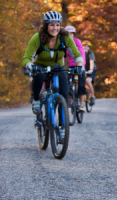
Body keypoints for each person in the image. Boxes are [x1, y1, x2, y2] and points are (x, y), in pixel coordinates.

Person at [23, 11, 84, 141]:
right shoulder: (37, 37)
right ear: (46, 26)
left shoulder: (65, 37)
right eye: (51, 25)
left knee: (63, 92)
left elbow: (77, 54)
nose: (55, 28)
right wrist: (30, 66)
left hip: (57, 67)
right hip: (40, 66)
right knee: (38, 76)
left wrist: (79, 65)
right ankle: (36, 100)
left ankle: (62, 127)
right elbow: (27, 57)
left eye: (57, 25)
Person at [65, 25, 87, 112]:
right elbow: (63, 56)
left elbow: (82, 53)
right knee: (67, 84)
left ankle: (82, 105)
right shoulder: (64, 43)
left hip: (80, 65)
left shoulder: (77, 41)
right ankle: (69, 101)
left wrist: (82, 66)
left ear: (73, 34)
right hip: (71, 66)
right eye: (67, 34)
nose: (69, 36)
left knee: (81, 85)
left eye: (71, 34)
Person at [82, 40, 96, 106]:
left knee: (88, 81)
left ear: (89, 48)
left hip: (91, 69)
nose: (85, 47)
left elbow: (91, 62)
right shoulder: (81, 53)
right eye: (84, 46)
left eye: (87, 46)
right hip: (84, 69)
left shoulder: (90, 53)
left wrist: (91, 69)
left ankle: (92, 96)